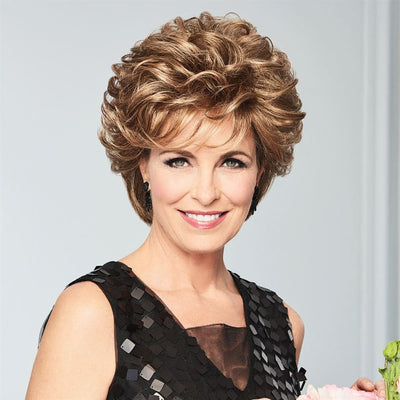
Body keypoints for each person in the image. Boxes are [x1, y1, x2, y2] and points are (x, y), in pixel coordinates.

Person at [25, 12, 384, 400]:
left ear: (260, 172)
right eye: (179, 160)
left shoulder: (281, 325)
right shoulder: (93, 312)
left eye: (232, 162)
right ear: (144, 165)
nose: (206, 192)